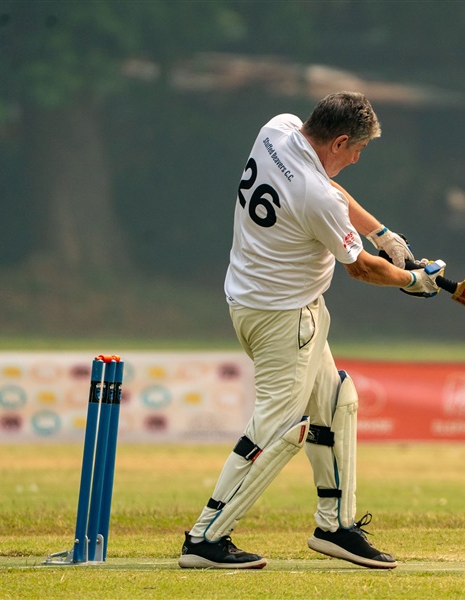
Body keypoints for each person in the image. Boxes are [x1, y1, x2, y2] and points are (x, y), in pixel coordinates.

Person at [178, 91, 443, 570]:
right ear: (339, 141)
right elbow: (360, 269)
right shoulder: (313, 195)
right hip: (283, 318)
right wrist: (413, 281)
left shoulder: (276, 129)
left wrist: (383, 235)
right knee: (280, 426)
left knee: (337, 402)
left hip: (257, 303)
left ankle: (334, 526)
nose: (358, 159)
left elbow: (330, 193)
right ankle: (205, 538)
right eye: (357, 149)